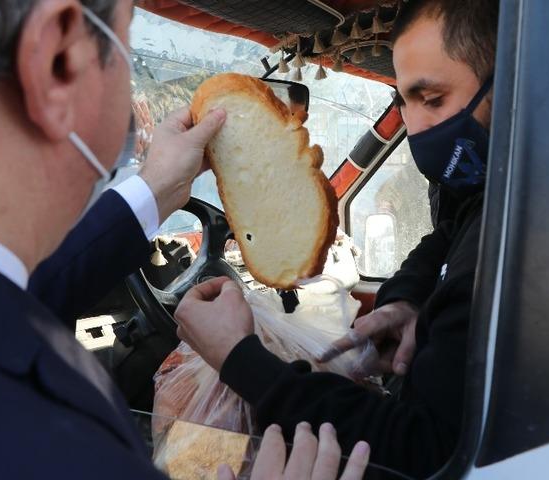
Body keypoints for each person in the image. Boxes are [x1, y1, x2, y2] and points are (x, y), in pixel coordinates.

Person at [0, 0, 368, 478]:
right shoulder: (51, 450)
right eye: (125, 44)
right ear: (58, 58)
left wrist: (156, 189)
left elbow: (2, 298)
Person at [175, 0, 498, 477]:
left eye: (431, 99)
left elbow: (426, 454)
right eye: (403, 104)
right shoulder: (494, 200)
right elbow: (451, 232)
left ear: (512, 86)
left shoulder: (531, 244)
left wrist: (239, 359)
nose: (414, 128)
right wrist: (408, 298)